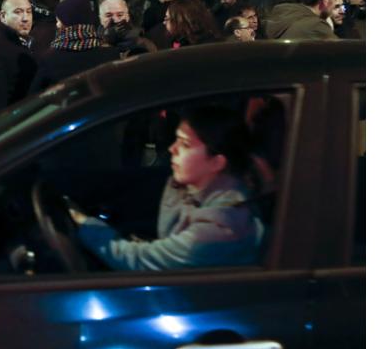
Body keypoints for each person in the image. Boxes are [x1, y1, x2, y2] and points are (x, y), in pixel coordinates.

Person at [73, 105, 265, 271]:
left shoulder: (222, 228)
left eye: (185, 144)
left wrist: (85, 225)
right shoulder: (191, 187)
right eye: (176, 140)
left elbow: (140, 260)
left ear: (216, 162)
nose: (172, 149)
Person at [29, 0, 122, 93]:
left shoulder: (51, 58)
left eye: (59, 21)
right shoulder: (111, 54)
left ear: (67, 23)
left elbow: (35, 96)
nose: (57, 25)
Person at [265, 0, 342, 40]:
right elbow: (342, 52)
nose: (337, 9)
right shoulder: (316, 25)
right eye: (336, 3)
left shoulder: (285, 17)